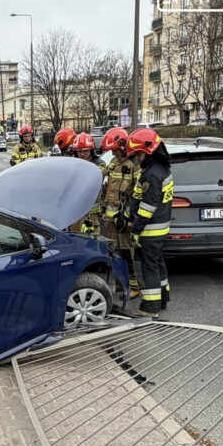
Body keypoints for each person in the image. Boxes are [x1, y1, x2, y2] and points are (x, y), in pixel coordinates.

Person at [128, 127, 173, 316]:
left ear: (146, 152)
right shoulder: (161, 169)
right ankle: (162, 298)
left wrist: (136, 230)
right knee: (157, 262)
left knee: (148, 267)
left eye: (137, 154)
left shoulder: (152, 175)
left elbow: (148, 207)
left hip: (149, 230)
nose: (137, 159)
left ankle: (150, 307)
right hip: (160, 228)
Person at [100, 127, 141, 299]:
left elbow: (138, 194)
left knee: (126, 252)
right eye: (112, 151)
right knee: (114, 252)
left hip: (125, 221)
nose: (114, 153)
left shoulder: (133, 166)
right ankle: (119, 284)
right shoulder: (113, 163)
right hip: (111, 219)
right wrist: (103, 208)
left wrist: (133, 218)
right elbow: (106, 186)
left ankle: (134, 286)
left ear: (124, 147)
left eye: (116, 150)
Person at [67, 132, 104, 234]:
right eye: (79, 151)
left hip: (90, 215)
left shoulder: (99, 164)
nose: (82, 154)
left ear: (91, 150)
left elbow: (92, 179)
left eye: (85, 151)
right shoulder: (72, 164)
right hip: (75, 213)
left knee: (91, 244)